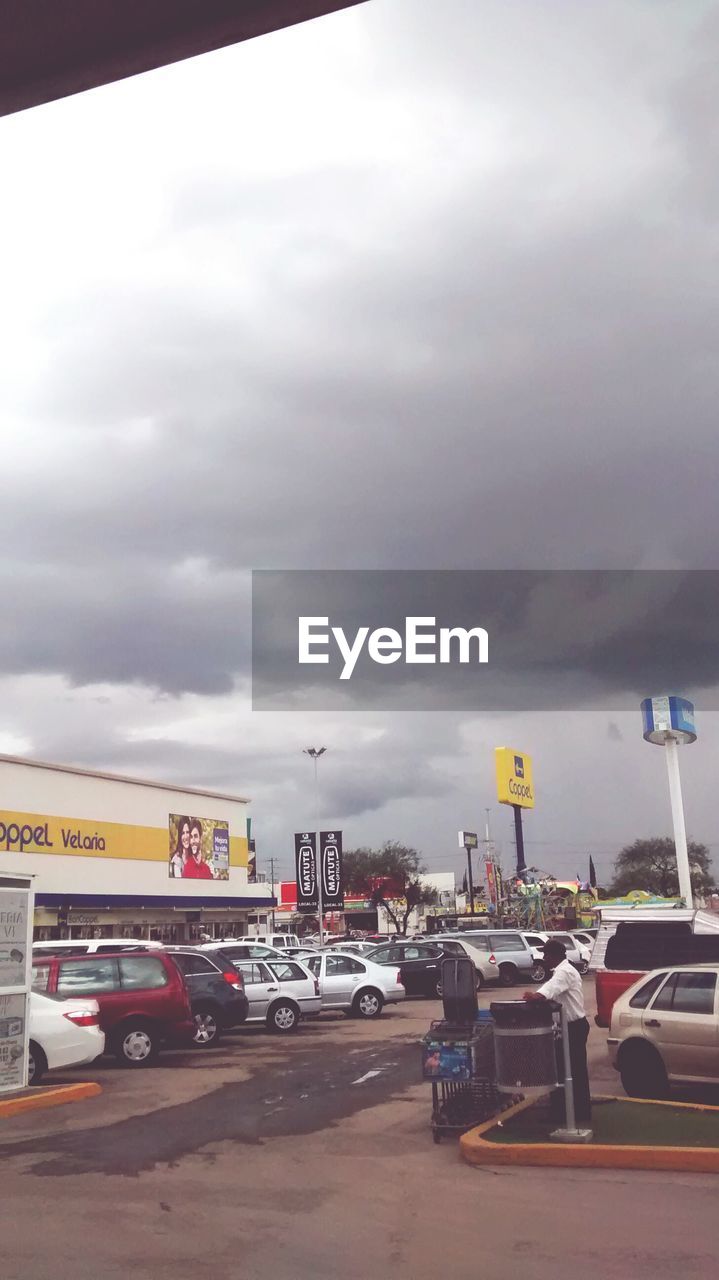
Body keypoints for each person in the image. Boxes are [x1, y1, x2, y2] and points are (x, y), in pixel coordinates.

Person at [523, 939, 591, 1125]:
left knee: (569, 1071)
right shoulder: (561, 971)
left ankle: (571, 1113)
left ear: (555, 956)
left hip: (574, 1027)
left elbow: (547, 992)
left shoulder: (564, 972)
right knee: (567, 1070)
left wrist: (534, 996)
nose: (544, 958)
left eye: (546, 955)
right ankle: (569, 1111)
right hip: (568, 1027)